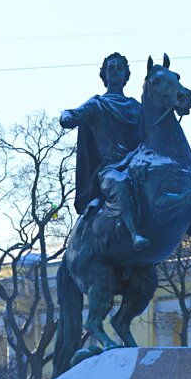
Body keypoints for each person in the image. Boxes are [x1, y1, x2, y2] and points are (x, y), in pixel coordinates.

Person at [60, 52, 149, 250]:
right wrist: (66, 116)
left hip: (136, 165)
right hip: (110, 168)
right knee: (119, 183)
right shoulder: (97, 104)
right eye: (111, 68)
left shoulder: (136, 107)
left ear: (126, 75)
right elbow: (72, 114)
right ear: (104, 75)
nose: (116, 71)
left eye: (120, 68)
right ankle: (135, 235)